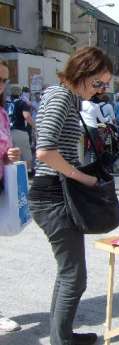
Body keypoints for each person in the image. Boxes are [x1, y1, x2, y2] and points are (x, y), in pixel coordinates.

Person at [28, 47, 112, 345]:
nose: (102, 90)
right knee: (74, 276)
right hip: (51, 194)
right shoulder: (61, 96)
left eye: (105, 85)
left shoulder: (69, 97)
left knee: (68, 274)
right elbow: (45, 151)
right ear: (83, 73)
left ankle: (61, 336)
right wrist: (83, 177)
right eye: (99, 83)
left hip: (56, 192)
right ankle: (62, 341)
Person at [0, 59, 22, 333]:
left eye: (4, 80)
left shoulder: (3, 113)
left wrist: (10, 155)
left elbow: (7, 147)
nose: (1, 85)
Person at [9, 85, 34, 173]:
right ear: (20, 93)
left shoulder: (7, 103)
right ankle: (27, 175)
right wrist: (36, 126)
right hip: (20, 130)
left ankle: (15, 176)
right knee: (26, 155)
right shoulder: (22, 103)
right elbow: (26, 116)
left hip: (8, 133)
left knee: (14, 157)